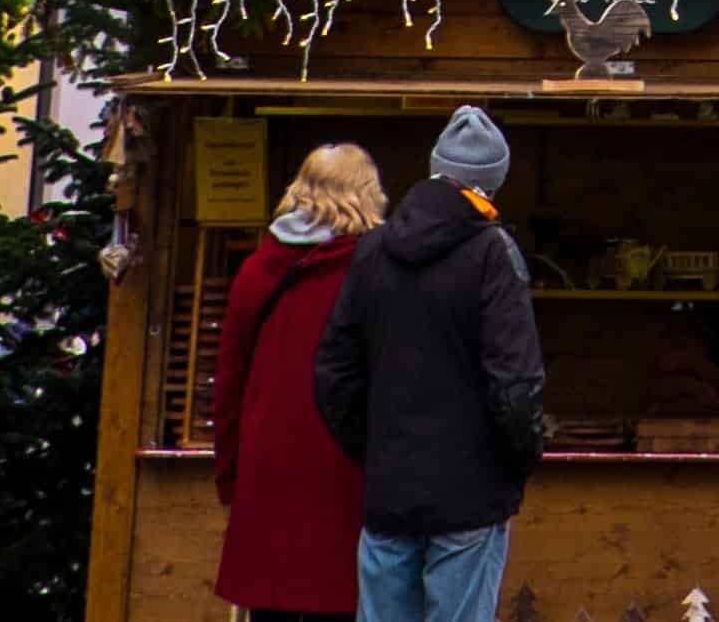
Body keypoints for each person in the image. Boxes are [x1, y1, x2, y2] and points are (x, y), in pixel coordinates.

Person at [314, 106, 547, 622]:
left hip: (389, 490)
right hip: (470, 493)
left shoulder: (372, 251)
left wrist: (374, 447)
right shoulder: (493, 255)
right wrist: (519, 460)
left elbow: (333, 371)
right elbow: (515, 384)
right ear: (491, 183)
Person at [211, 145, 386, 622]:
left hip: (267, 468)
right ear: (366, 195)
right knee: (341, 604)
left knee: (271, 606)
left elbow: (228, 383)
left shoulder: (256, 270)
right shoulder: (377, 273)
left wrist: (230, 475)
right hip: (346, 469)